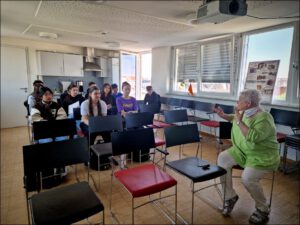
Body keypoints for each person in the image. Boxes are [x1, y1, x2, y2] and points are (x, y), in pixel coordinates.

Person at [215, 89, 279, 225]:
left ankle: (263, 208)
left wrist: (238, 121)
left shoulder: (265, 118)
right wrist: (224, 115)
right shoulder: (244, 112)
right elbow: (234, 119)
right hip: (242, 151)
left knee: (247, 178)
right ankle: (230, 196)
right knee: (222, 159)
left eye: (239, 101)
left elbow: (253, 137)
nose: (237, 102)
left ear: (248, 103)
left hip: (261, 155)